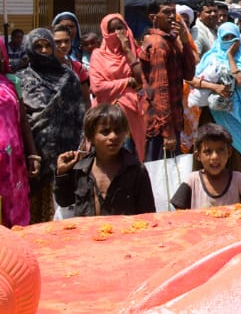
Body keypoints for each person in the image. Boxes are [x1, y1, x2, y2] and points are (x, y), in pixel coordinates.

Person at [20, 27, 88, 223]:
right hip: (36, 154)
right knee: (36, 212)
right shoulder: (21, 79)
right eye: (37, 46)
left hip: (65, 154)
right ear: (29, 49)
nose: (43, 50)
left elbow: (79, 113)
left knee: (64, 209)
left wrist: (82, 145)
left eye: (47, 45)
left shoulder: (68, 77)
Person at [54, 102, 155, 217]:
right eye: (105, 132)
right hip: (87, 233)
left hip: (124, 233)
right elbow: (64, 201)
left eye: (118, 131)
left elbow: (148, 215)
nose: (113, 137)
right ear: (91, 136)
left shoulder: (136, 170)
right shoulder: (80, 169)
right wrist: (62, 173)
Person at [139, 0, 198, 162]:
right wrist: (167, 131)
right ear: (153, 17)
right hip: (161, 127)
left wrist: (186, 43)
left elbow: (189, 74)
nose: (172, 16)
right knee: (160, 179)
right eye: (166, 12)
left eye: (173, 12)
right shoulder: (158, 44)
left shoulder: (170, 41)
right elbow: (160, 90)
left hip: (172, 123)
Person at [190, 23, 241, 176]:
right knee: (210, 148)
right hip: (212, 113)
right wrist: (214, 87)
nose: (229, 41)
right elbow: (192, 79)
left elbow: (239, 81)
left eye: (233, 37)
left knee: (237, 151)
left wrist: (230, 57)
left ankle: (238, 191)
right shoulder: (210, 56)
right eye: (226, 37)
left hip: (236, 115)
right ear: (219, 38)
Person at [89, 13, 146, 156]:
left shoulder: (134, 51)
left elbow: (141, 80)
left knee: (130, 159)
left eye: (120, 29)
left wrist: (127, 49)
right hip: (106, 117)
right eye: (112, 30)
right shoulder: (98, 55)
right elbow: (98, 87)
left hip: (132, 116)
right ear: (105, 32)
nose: (117, 34)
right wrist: (127, 82)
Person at [170, 123, 241, 210]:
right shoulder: (192, 181)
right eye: (208, 151)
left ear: (229, 152)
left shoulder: (238, 180)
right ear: (198, 156)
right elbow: (179, 215)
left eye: (220, 150)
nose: (215, 157)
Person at [0, 38, 37, 227]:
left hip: (13, 160)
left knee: (12, 209)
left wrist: (32, 153)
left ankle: (12, 252)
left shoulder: (12, 81)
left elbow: (23, 121)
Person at [51, 13, 91, 106]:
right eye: (58, 42)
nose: (63, 45)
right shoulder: (42, 67)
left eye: (66, 41)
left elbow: (86, 100)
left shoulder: (78, 62)